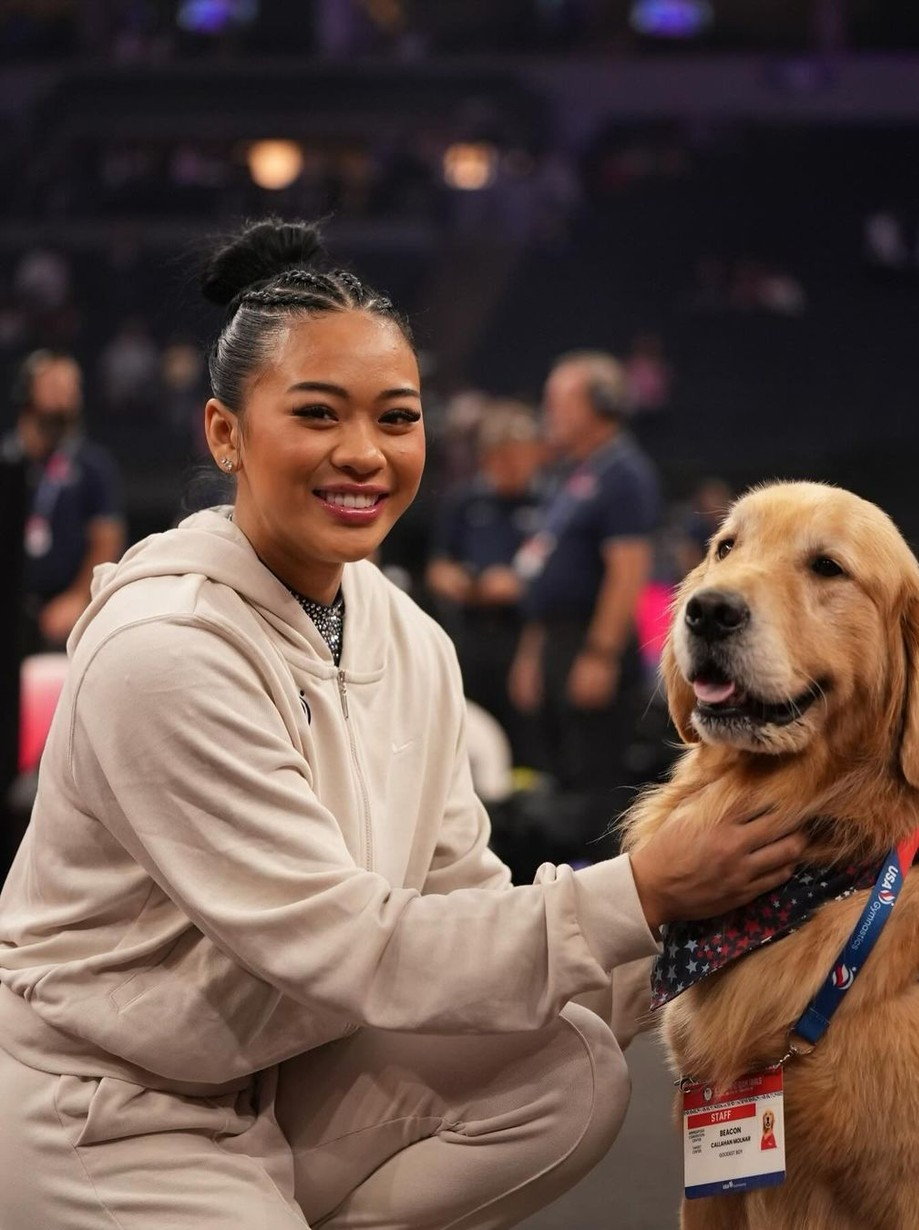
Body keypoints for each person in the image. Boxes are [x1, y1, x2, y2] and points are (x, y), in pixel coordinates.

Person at [0, 218, 807, 1230]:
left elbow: (457, 904)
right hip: (104, 1108)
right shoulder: (164, 650)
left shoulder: (406, 635)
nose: (364, 454)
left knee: (568, 1070)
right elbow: (351, 950)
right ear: (225, 435)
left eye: (396, 417)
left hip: (277, 1080)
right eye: (319, 414)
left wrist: (694, 938)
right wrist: (642, 890)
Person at [509, 350, 661, 864]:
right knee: (559, 773)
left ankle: (603, 900)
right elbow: (542, 568)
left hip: (591, 639)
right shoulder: (567, 475)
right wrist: (532, 653)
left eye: (560, 400)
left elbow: (627, 571)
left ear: (599, 404)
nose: (548, 411)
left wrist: (599, 653)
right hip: (554, 637)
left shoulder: (625, 473)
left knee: (596, 779)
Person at [426, 397, 543, 766]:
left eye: (518, 455)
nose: (510, 465)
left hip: (522, 635)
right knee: (465, 731)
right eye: (501, 456)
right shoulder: (465, 502)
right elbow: (437, 568)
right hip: (470, 634)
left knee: (525, 740)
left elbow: (557, 576)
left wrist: (517, 585)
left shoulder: (548, 504)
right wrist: (464, 583)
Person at [1, 349, 125, 654]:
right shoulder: (7, 461)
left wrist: (77, 598)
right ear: (26, 391)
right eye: (56, 386)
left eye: (73, 388)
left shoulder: (91, 465)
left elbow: (107, 539)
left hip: (65, 612)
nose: (67, 397)